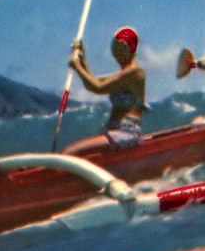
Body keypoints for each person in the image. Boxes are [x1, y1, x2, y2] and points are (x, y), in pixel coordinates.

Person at [62, 27, 147, 155]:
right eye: (114, 49)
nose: (115, 53)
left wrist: (77, 67)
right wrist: (82, 58)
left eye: (118, 49)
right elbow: (93, 82)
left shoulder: (135, 72)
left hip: (125, 133)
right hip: (113, 131)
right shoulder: (124, 74)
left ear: (129, 49)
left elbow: (98, 88)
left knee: (70, 152)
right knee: (72, 153)